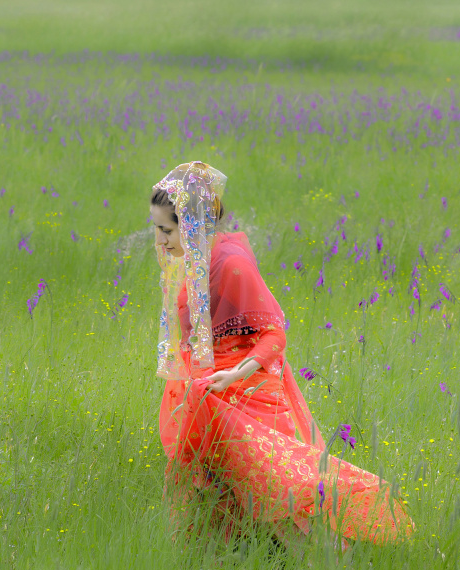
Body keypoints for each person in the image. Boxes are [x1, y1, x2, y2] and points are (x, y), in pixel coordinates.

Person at [151, 161, 412, 546]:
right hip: (210, 388)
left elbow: (274, 335)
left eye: (166, 230)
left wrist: (236, 373)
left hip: (244, 389)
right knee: (220, 490)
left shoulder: (232, 265)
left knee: (279, 495)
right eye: (156, 228)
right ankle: (226, 564)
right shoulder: (190, 262)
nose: (160, 240)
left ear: (191, 224)